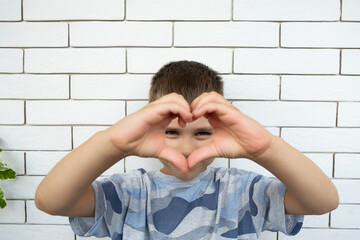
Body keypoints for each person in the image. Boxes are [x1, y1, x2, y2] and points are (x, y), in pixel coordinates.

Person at [35, 60, 339, 239]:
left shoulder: (245, 191)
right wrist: (113, 143)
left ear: (220, 132)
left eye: (202, 133)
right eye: (172, 132)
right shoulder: (127, 191)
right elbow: (51, 201)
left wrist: (264, 149)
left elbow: (323, 201)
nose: (186, 146)